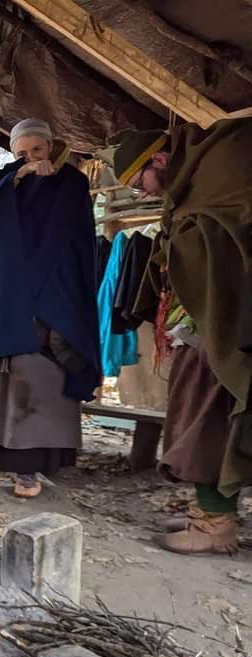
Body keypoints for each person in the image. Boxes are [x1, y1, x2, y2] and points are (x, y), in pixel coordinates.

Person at [106, 118, 252, 554]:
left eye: (141, 181)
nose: (142, 193)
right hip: (205, 323)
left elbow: (229, 248)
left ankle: (215, 526)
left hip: (227, 325)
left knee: (208, 419)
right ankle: (209, 512)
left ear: (161, 159)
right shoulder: (193, 184)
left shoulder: (223, 169)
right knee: (199, 413)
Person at [0, 118, 102, 498]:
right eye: (21, 153)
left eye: (37, 150)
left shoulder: (70, 183)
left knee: (42, 380)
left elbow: (77, 242)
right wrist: (16, 178)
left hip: (52, 299)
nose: (31, 158)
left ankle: (29, 470)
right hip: (2, 299)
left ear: (51, 148)